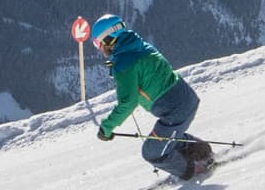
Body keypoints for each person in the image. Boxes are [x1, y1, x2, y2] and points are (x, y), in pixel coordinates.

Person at [88, 13, 213, 181]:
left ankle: (191, 172)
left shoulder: (124, 62)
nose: (99, 48)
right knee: (165, 137)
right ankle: (202, 151)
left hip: (175, 112)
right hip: (185, 99)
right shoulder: (138, 45)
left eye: (97, 43)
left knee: (152, 152)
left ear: (109, 39)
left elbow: (128, 103)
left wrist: (106, 128)